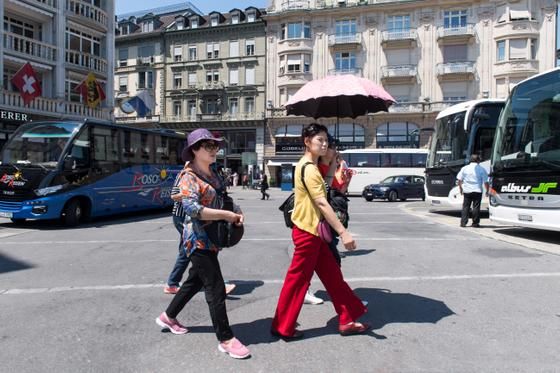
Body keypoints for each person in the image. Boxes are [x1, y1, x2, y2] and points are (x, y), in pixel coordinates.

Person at [156, 128, 250, 359]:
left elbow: (223, 198)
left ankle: (168, 316)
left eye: (216, 146)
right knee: (215, 287)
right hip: (196, 239)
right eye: (209, 146)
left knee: (194, 281)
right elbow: (192, 209)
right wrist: (225, 216)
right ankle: (226, 338)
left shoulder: (213, 172)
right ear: (195, 150)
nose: (215, 150)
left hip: (212, 238)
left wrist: (236, 210)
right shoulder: (188, 176)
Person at [271, 123, 369, 340]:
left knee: (333, 277)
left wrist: (333, 165)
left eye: (326, 140)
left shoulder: (310, 166)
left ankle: (347, 319)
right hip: (308, 233)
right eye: (319, 140)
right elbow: (322, 203)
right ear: (307, 142)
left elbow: (324, 187)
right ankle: (283, 326)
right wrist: (343, 233)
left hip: (313, 232)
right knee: (297, 281)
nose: (324, 144)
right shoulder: (307, 167)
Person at [164, 163, 236, 296]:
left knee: (188, 251)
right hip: (182, 216)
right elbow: (173, 195)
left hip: (192, 217)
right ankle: (213, 281)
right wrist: (191, 193)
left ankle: (174, 283)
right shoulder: (185, 174)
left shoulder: (204, 174)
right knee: (197, 250)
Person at [457, 154, 489, 228]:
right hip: (477, 190)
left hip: (467, 190)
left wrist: (461, 188)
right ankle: (475, 223)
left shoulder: (464, 168)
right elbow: (486, 182)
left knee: (465, 206)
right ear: (478, 160)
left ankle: (463, 223)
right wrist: (487, 190)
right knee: (476, 207)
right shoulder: (481, 169)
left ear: (470, 160)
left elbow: (459, 180)